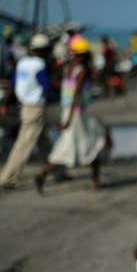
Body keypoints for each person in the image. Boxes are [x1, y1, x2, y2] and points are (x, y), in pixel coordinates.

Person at [34, 37, 107, 192]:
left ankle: (95, 180)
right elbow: (76, 95)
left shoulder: (68, 68)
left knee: (84, 146)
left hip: (69, 111)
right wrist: (68, 121)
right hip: (77, 114)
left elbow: (58, 84)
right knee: (92, 145)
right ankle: (42, 174)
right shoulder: (82, 71)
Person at [0, 33, 56, 190]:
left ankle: (59, 171)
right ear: (44, 50)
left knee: (44, 142)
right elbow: (47, 87)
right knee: (23, 144)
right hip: (35, 108)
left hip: (24, 107)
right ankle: (8, 178)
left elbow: (12, 84)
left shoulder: (23, 63)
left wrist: (4, 103)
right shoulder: (39, 66)